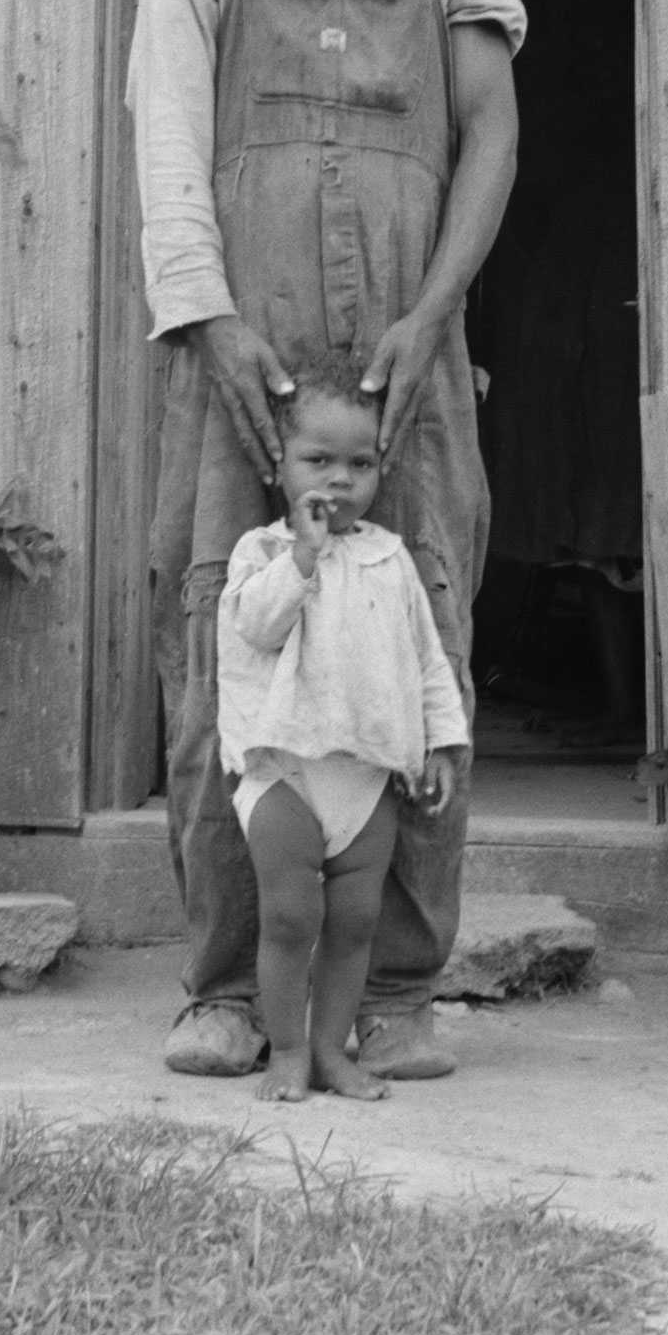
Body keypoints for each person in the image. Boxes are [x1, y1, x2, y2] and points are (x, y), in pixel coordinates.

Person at [130, 0, 523, 1080]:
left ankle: (401, 990)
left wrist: (437, 314)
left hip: (410, 345)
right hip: (243, 327)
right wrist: (209, 314)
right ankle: (230, 989)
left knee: (421, 627)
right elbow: (167, 127)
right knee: (223, 643)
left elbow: (490, 136)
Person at [221, 355, 470, 1102]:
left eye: (359, 463)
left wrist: (441, 743)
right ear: (280, 466)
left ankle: (333, 1049)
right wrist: (303, 555)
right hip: (284, 772)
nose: (338, 480)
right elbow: (258, 629)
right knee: (292, 916)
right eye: (317, 461)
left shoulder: (390, 559)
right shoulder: (261, 553)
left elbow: (425, 661)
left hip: (366, 777)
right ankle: (287, 1050)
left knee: (356, 920)